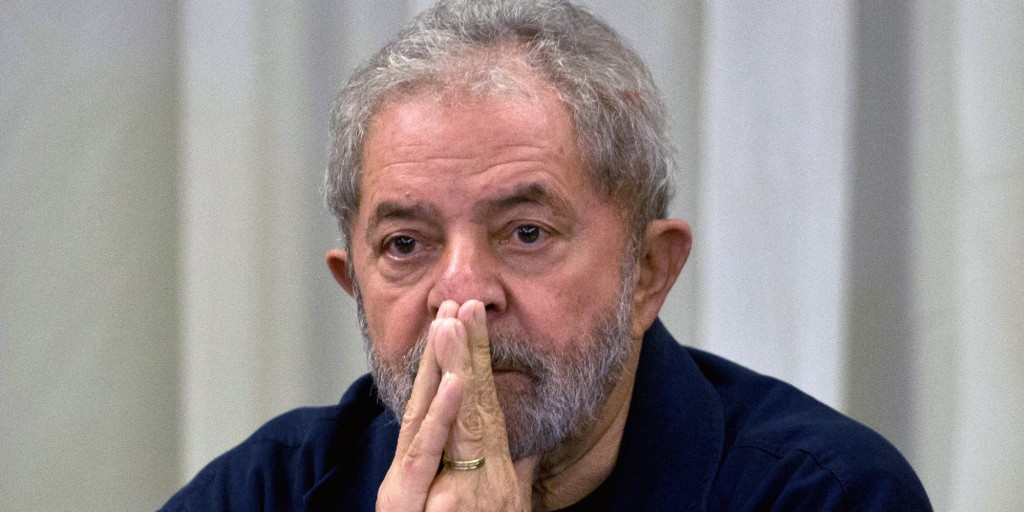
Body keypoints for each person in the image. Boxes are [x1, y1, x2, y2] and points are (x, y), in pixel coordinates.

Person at [161, 0, 932, 510]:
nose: (459, 294)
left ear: (648, 274)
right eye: (405, 245)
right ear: (354, 285)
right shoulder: (261, 493)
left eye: (526, 233)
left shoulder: (823, 495)